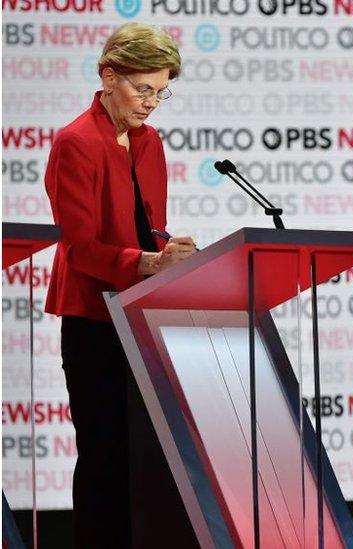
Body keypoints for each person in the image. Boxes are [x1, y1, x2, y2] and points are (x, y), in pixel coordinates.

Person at [44, 23, 196, 547]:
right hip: (92, 320)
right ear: (109, 76)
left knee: (147, 459)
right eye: (142, 88)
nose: (152, 102)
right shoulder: (74, 142)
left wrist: (172, 254)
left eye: (160, 90)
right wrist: (149, 263)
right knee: (105, 458)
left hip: (143, 318)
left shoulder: (150, 143)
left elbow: (146, 225)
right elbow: (80, 247)